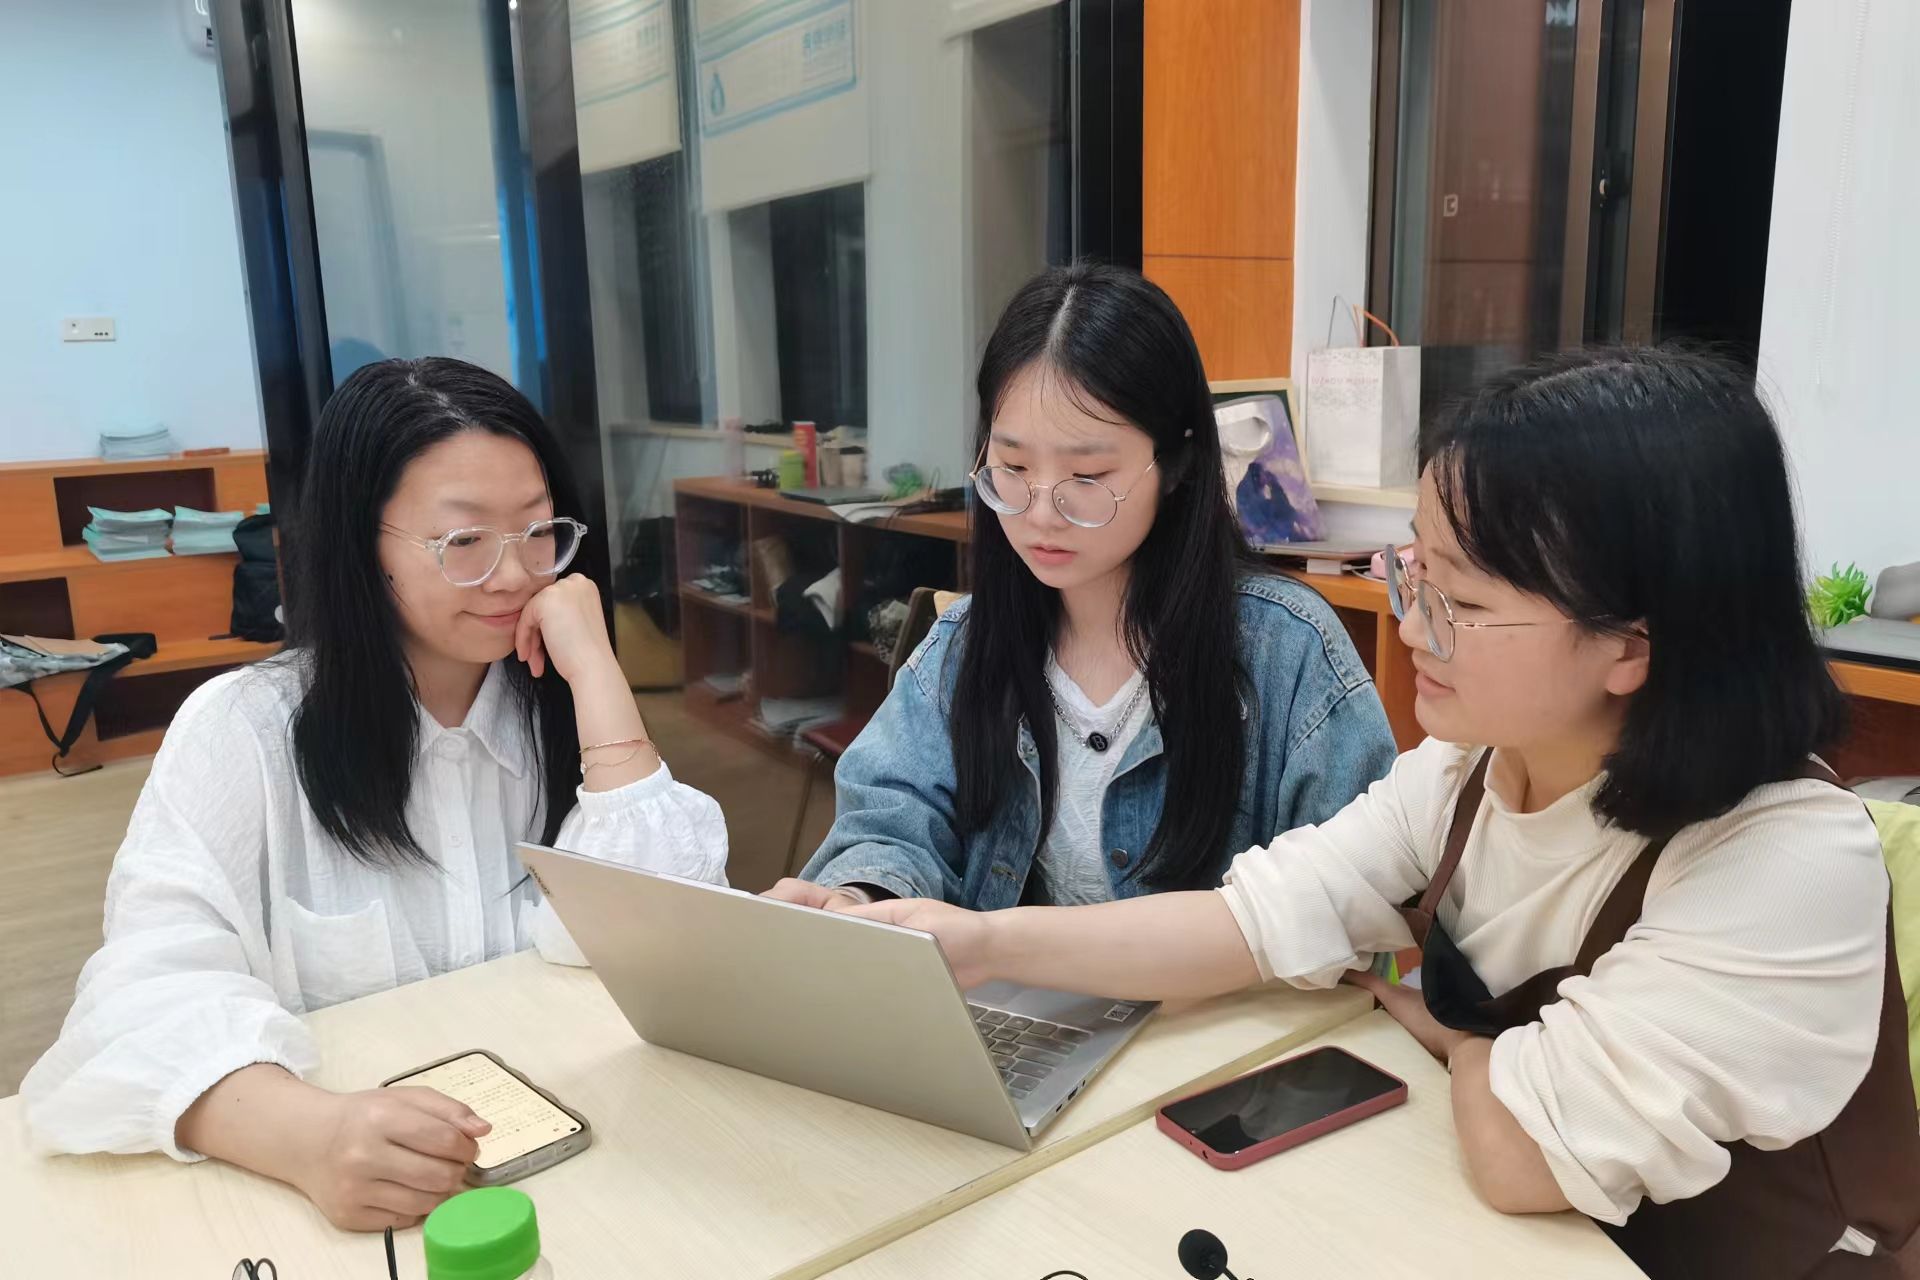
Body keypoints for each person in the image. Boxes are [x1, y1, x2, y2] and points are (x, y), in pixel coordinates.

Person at [837, 347, 1920, 1277]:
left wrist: (1459, 1034)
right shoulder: (1464, 771)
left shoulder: (1780, 857)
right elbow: (1250, 918)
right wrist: (978, 942)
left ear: (1631, 644)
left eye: (1463, 601)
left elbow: (1521, 1153)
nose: (1410, 627)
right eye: (1415, 572)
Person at [22, 358, 728, 1231]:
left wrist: (599, 677)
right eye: (463, 541)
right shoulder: (245, 729)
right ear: (362, 546)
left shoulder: (558, 710)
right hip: (347, 1199)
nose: (514, 576)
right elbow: (140, 996)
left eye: (540, 531)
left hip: (583, 1149)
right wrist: (305, 1136)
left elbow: (670, 941)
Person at [770, 262, 1397, 913]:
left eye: (1089, 476)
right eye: (1013, 465)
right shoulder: (964, 646)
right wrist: (862, 895)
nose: (1041, 512)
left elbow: (1355, 896)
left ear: (1177, 465)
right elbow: (892, 819)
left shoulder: (1288, 654)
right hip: (1009, 984)